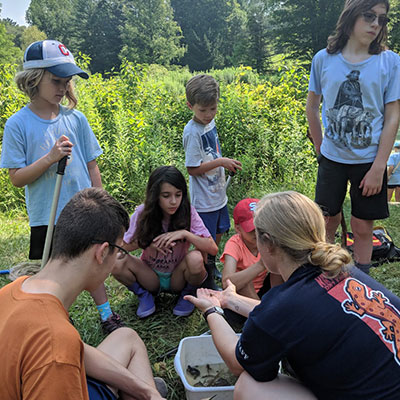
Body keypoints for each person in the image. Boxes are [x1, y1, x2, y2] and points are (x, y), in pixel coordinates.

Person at [186, 191, 400, 399]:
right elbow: (286, 317)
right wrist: (230, 299)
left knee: (248, 387)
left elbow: (237, 361)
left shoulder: (285, 304)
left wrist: (212, 310)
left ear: (268, 243)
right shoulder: (342, 270)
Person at [0, 40, 123, 333]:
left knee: (94, 261)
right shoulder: (18, 124)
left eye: (66, 82)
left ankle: (106, 314)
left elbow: (92, 164)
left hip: (84, 209)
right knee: (53, 272)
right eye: (56, 80)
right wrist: (50, 158)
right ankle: (54, 319)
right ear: (33, 79)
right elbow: (16, 178)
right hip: (48, 215)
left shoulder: (76, 119)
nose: (62, 88)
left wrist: (101, 198)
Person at [0, 187, 167, 400]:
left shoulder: (15, 290)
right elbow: (61, 351)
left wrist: (145, 390)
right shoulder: (56, 346)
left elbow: (78, 350)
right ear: (102, 253)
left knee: (127, 337)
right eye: (119, 253)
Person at [306, 0, 400, 275]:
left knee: (362, 226)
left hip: (370, 160)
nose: (375, 24)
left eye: (381, 19)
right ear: (350, 16)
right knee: (327, 220)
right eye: (369, 16)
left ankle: (361, 278)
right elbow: (312, 105)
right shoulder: (323, 58)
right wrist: (319, 146)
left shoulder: (390, 62)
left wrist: (379, 167)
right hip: (331, 159)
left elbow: (393, 115)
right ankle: (323, 273)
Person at [111, 166, 218, 318]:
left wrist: (185, 234)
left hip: (177, 276)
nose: (173, 201)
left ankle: (187, 294)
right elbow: (121, 247)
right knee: (116, 262)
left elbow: (212, 248)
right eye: (166, 196)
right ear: (155, 196)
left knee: (196, 258)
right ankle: (144, 295)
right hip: (150, 275)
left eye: (178, 195)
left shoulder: (188, 212)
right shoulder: (142, 213)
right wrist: (147, 242)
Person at [183, 74, 242, 286]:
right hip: (204, 200)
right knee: (206, 240)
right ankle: (205, 278)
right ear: (190, 105)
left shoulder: (210, 122)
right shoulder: (192, 132)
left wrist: (224, 162)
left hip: (218, 194)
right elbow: (192, 168)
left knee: (219, 232)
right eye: (203, 110)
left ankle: (211, 264)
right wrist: (221, 162)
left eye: (213, 109)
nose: (208, 114)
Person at [221, 198, 283, 300]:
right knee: (245, 283)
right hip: (241, 294)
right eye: (252, 230)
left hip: (263, 287)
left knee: (280, 266)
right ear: (238, 228)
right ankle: (260, 310)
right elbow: (226, 282)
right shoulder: (234, 245)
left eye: (261, 227)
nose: (257, 233)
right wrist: (261, 265)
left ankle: (277, 300)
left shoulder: (268, 237)